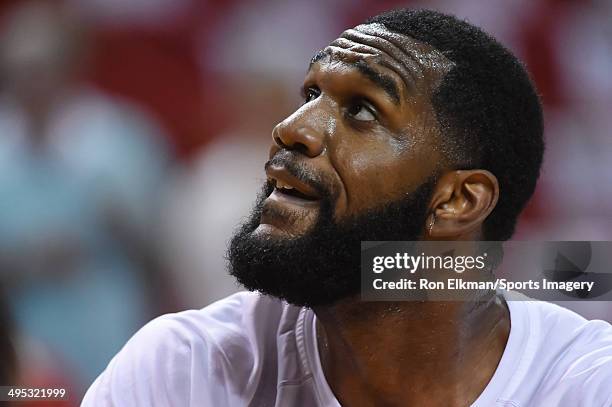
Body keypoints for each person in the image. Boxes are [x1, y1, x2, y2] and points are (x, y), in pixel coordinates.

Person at [82, 9, 612, 407]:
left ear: (457, 200)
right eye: (309, 94)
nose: (292, 128)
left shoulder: (586, 384)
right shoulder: (185, 372)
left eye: (361, 111)